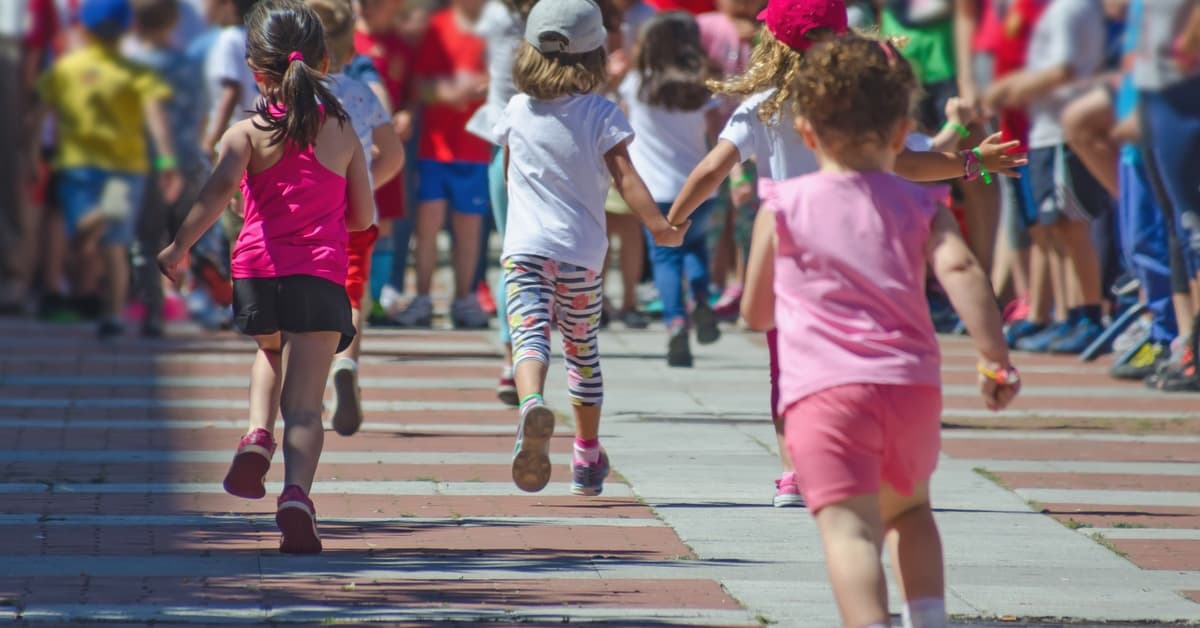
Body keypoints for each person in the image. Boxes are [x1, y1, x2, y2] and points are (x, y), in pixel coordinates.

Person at [666, 0, 1024, 508]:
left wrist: (673, 221)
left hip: (790, 252)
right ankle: (864, 451)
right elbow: (909, 165)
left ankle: (794, 470)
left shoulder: (763, 106)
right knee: (862, 350)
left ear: (772, 45)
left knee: (785, 371)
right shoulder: (857, 108)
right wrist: (971, 162)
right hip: (861, 249)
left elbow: (710, 170)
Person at [740, 34, 1019, 627]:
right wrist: (995, 359)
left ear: (808, 133)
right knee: (912, 512)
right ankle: (929, 618)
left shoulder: (783, 206)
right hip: (911, 391)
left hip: (824, 396)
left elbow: (755, 314)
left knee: (850, 530)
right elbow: (963, 269)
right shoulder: (922, 205)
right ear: (900, 132)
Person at [158, 0, 374, 554]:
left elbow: (215, 196)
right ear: (324, 61)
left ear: (257, 70)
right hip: (321, 276)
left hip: (258, 271)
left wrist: (180, 245)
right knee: (305, 405)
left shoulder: (243, 134)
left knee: (269, 352)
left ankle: (257, 434)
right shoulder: (343, 131)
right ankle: (296, 495)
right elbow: (364, 217)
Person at [497, 0, 686, 497]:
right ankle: (586, 455)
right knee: (582, 352)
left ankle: (532, 403)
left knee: (528, 337)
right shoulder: (601, 113)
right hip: (581, 253)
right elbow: (628, 179)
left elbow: (507, 174)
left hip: (525, 249)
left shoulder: (516, 109)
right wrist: (660, 228)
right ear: (596, 56)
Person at [32, 0, 182, 340]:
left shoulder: (67, 68)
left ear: (83, 28)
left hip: (78, 167)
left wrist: (30, 156)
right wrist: (167, 161)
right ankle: (111, 314)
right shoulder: (136, 72)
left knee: (84, 237)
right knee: (114, 243)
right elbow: (156, 119)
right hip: (125, 169)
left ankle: (111, 313)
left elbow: (37, 116)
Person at [983, 0, 1110, 355]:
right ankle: (1068, 313)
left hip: (1062, 130)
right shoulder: (1057, 10)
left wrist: (1011, 88)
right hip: (1046, 130)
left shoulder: (1073, 8)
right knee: (1054, 228)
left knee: (1073, 226)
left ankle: (1088, 314)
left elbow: (1064, 70)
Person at [307, 0, 405, 435]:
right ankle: (345, 365)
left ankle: (306, 389)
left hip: (303, 217)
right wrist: (368, 183)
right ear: (349, 50)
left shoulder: (292, 95)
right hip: (355, 216)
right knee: (350, 295)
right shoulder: (361, 93)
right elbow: (394, 154)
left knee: (304, 296)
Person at [620, 11, 720, 367]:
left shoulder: (637, 84)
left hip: (655, 190)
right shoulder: (700, 87)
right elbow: (714, 127)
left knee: (664, 256)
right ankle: (701, 297)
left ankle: (675, 321)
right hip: (698, 188)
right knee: (694, 249)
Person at [391, 0, 492, 329]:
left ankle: (464, 299)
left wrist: (481, 88)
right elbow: (418, 85)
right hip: (434, 149)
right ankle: (422, 298)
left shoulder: (495, 27)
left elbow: (506, 80)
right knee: (427, 226)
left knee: (469, 230)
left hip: (475, 149)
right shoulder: (438, 27)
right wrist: (450, 92)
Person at [466, 0, 536, 406]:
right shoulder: (561, 12)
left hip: (513, 141)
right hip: (546, 140)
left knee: (515, 252)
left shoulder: (497, 16)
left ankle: (514, 362)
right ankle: (519, 359)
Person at [127, 0, 211, 338]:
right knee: (186, 237)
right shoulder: (190, 63)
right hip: (190, 159)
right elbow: (204, 109)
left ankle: (153, 311)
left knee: (147, 240)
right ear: (174, 21)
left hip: (152, 164)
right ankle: (192, 298)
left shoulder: (135, 66)